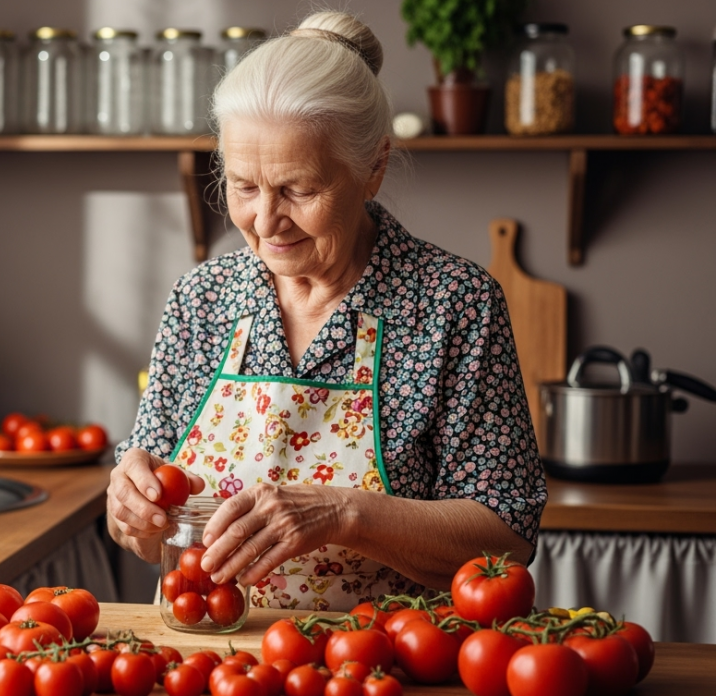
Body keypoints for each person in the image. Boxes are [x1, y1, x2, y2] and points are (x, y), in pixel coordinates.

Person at [106, 11, 547, 612]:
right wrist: (131, 510)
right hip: (210, 662)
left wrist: (347, 513)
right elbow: (146, 528)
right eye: (243, 186)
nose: (264, 222)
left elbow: (508, 539)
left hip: (383, 665)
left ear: (374, 169)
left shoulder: (454, 304)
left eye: (298, 189)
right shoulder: (199, 299)